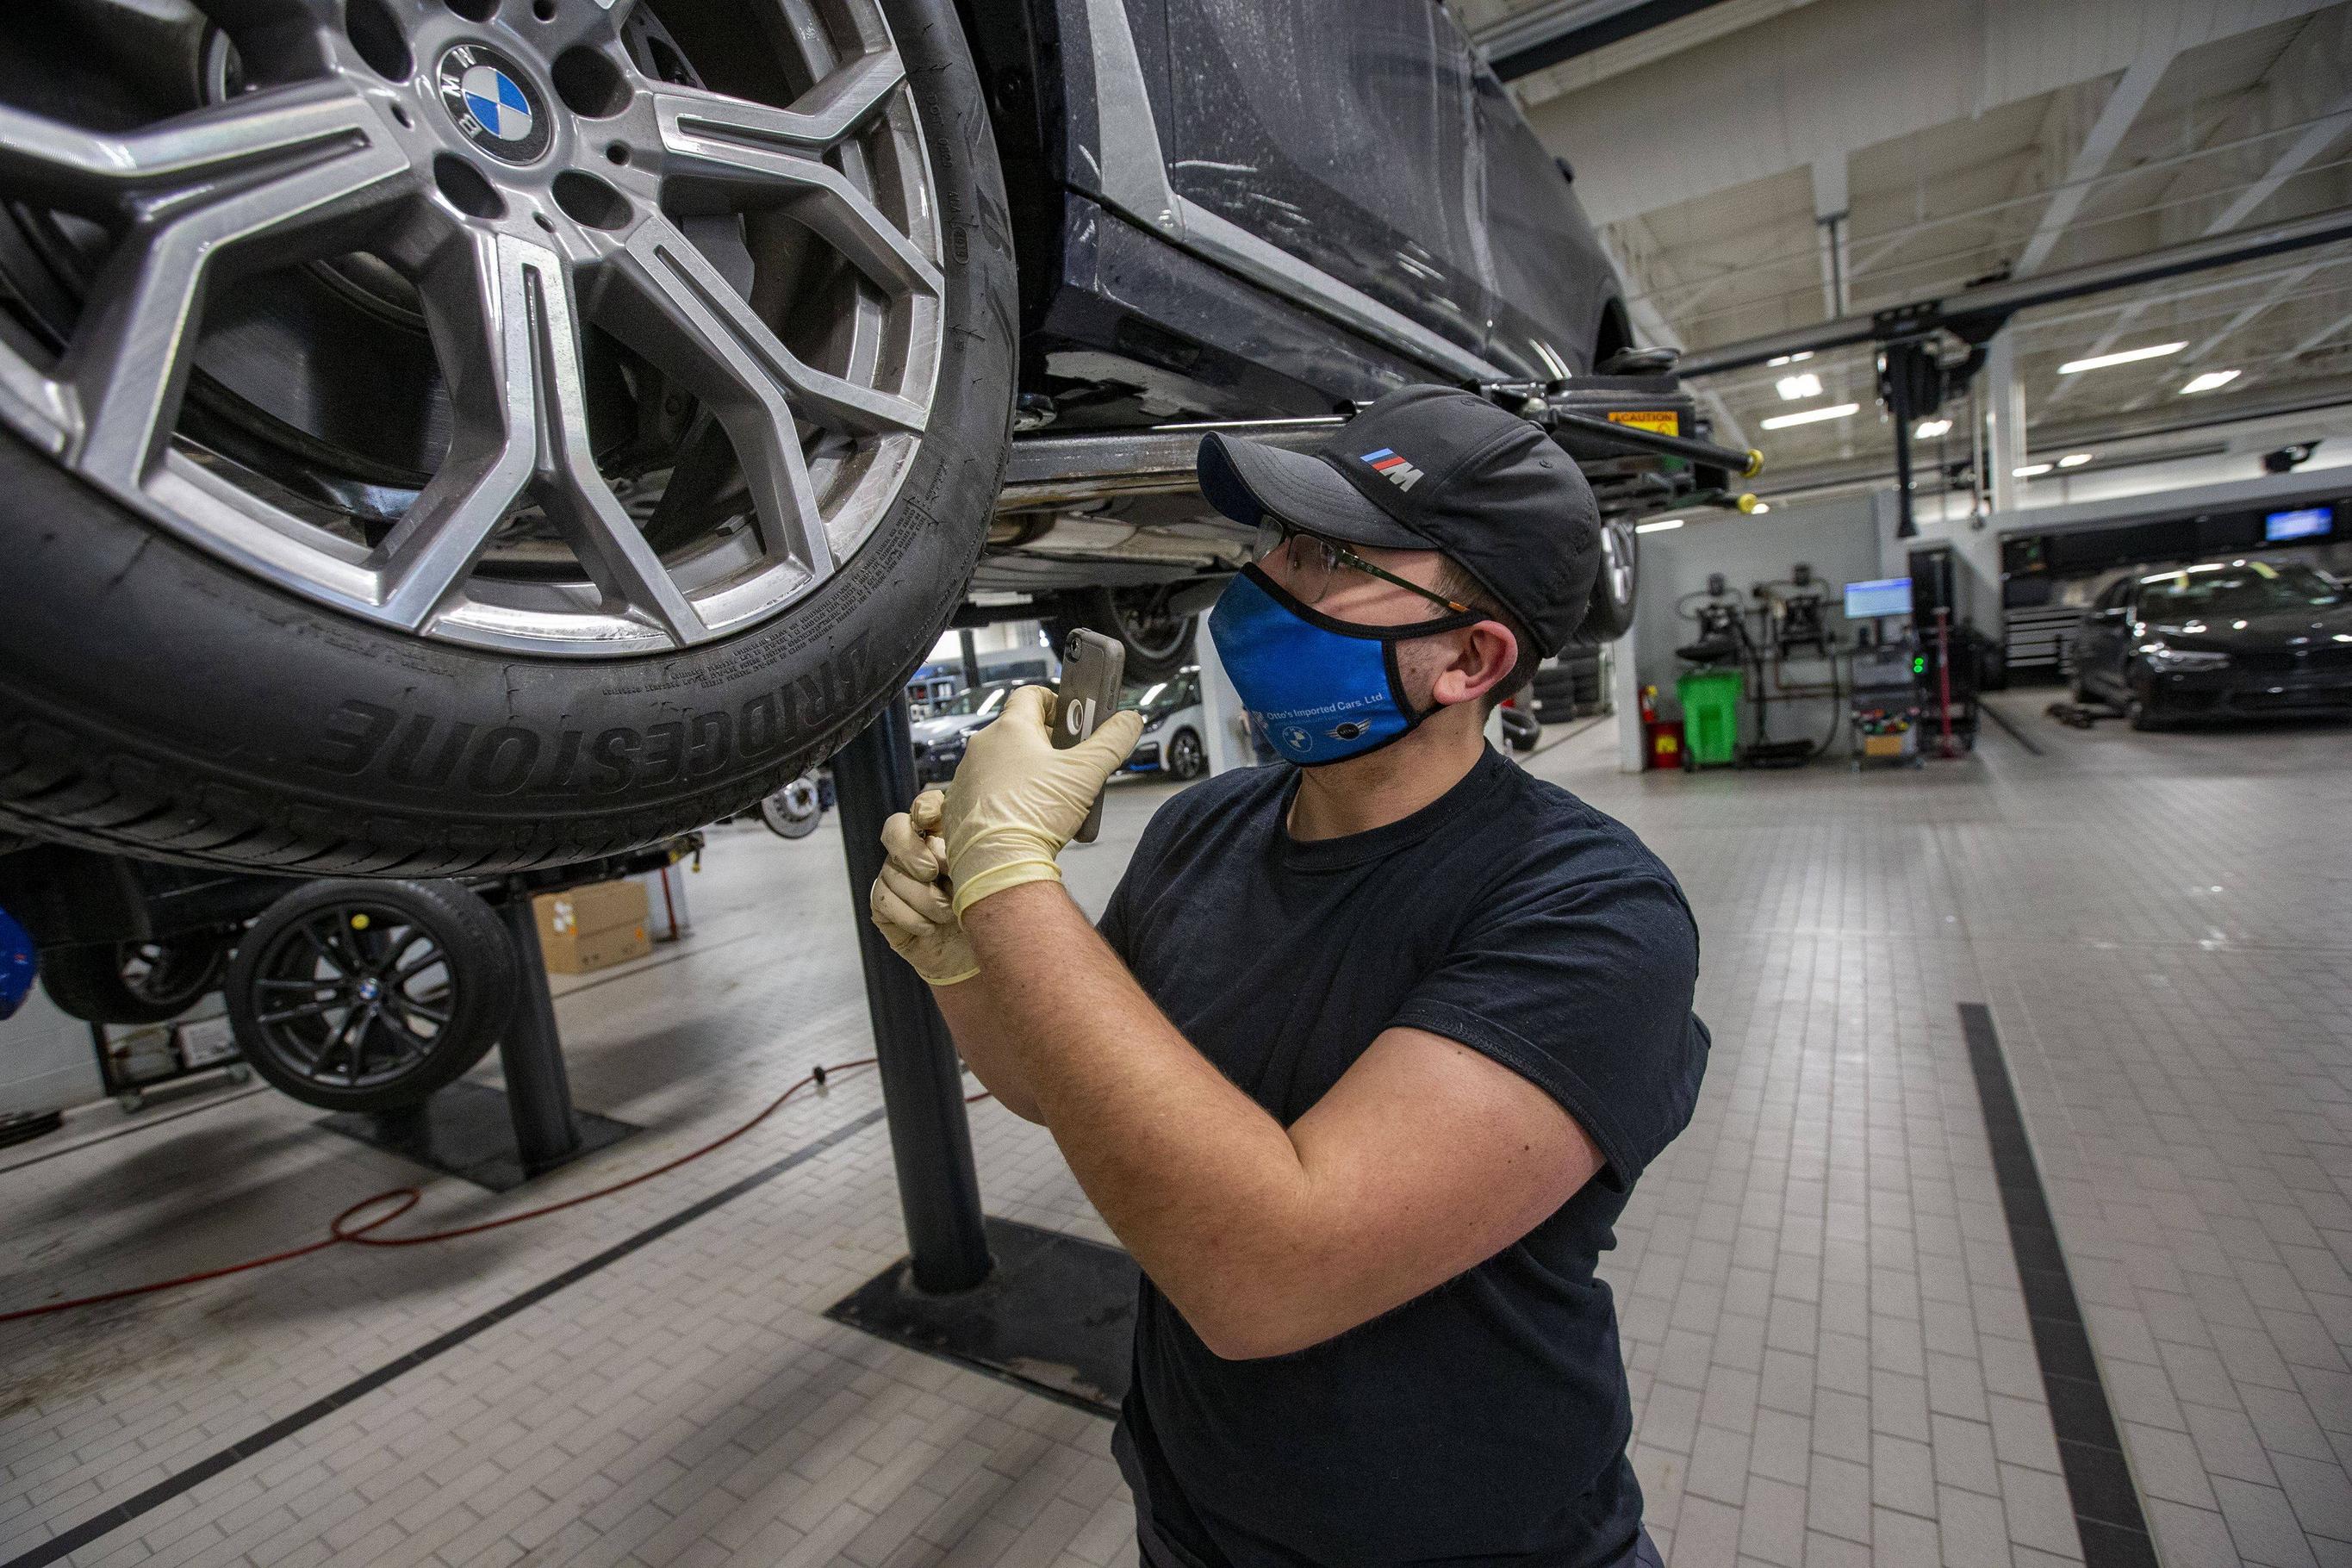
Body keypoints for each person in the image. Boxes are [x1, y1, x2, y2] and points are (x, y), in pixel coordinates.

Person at [868, 385, 1708, 1567]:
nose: (1262, 583)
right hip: (1198, 1520)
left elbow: (1269, 1275)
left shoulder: (1587, 914)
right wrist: (963, 955)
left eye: (1326, 555)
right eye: (1272, 542)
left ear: (1471, 657)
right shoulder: (1203, 827)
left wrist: (1012, 876)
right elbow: (1057, 1084)